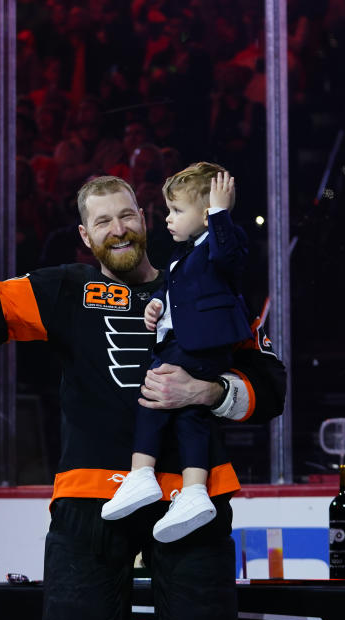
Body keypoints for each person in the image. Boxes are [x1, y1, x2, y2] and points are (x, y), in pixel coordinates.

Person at [0, 146, 285, 620]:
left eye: (127, 215)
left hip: (191, 499)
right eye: (104, 221)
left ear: (146, 220)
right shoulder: (64, 289)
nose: (119, 229)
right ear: (85, 236)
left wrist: (207, 390)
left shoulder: (207, 284)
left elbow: (271, 387)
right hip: (91, 497)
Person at [101, 164, 253, 545]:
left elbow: (228, 258)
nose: (167, 219)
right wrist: (156, 305)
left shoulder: (222, 242)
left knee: (153, 395)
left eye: (176, 211)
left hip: (198, 346)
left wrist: (221, 212)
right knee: (189, 416)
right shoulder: (181, 255)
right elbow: (174, 293)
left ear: (205, 214)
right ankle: (195, 491)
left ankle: (141, 474)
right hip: (183, 342)